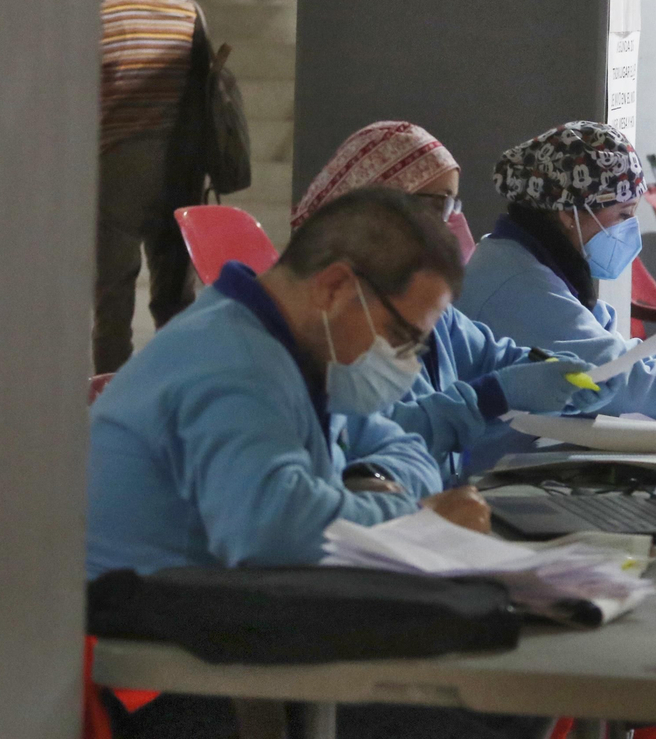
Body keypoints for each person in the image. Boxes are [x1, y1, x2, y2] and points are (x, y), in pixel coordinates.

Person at [89, 186, 544, 739]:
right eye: (403, 336)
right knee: (496, 708)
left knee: (505, 686)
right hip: (158, 685)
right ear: (334, 287)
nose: (405, 361)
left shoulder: (299, 353)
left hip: (226, 639)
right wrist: (419, 526)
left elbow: (404, 446)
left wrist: (370, 484)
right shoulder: (229, 364)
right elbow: (272, 529)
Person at [292, 122, 600, 482]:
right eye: (436, 204)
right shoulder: (340, 313)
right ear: (377, 204)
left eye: (452, 204)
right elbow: (370, 438)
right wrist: (490, 396)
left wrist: (548, 368)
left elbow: (485, 353)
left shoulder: (420, 297)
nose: (449, 222)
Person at [457, 122, 656, 463]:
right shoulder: (517, 284)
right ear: (568, 213)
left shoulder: (529, 259)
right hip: (500, 469)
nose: (628, 228)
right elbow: (623, 383)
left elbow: (620, 357)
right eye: (623, 214)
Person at [94, 0, 201, 373]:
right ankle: (172, 387)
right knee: (174, 295)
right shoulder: (191, 13)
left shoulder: (108, 15)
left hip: (119, 165)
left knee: (113, 294)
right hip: (181, 164)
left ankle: (108, 389)